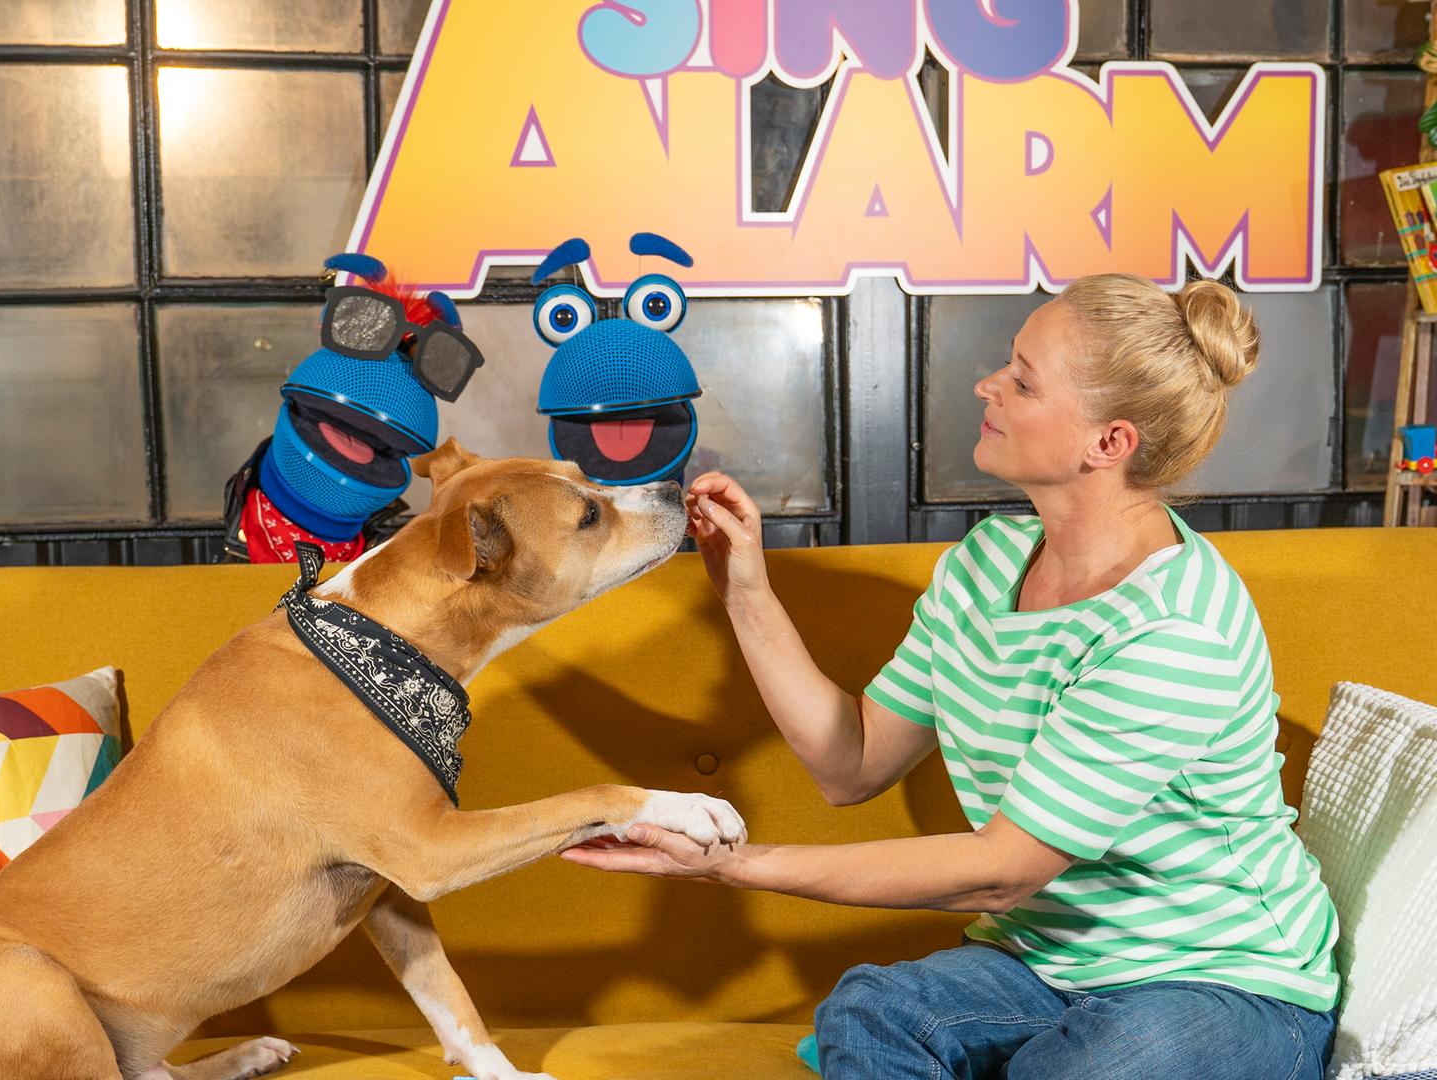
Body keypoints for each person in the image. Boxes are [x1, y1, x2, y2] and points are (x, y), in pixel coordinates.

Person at [561, 274, 1340, 1079]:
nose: (987, 386)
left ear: (1108, 443)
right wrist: (746, 589)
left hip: (1226, 983)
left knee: (1080, 1070)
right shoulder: (985, 566)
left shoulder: (1173, 630)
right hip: (1045, 967)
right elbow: (851, 764)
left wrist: (733, 863)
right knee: (869, 1011)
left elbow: (1002, 873)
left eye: (1022, 380)